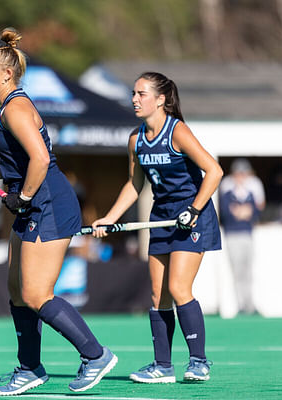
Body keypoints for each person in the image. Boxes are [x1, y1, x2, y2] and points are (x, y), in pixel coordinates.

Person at [0, 27, 117, 395]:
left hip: (47, 205)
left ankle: (95, 355)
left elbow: (42, 158)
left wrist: (24, 196)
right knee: (17, 291)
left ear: (7, 74)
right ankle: (30, 368)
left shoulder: (15, 107)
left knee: (36, 294)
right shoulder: (7, 107)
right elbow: (21, 160)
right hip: (33, 203)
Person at [91, 71, 223, 383]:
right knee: (157, 294)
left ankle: (199, 362)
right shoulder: (136, 139)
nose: (134, 99)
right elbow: (135, 185)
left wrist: (193, 209)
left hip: (192, 216)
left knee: (178, 288)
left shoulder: (177, 132)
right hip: (161, 217)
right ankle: (162, 366)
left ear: (161, 100)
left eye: (141, 94)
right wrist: (110, 218)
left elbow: (214, 171)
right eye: (134, 94)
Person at [219, 158, 264, 315]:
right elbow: (227, 213)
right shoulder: (227, 192)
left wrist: (243, 211)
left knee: (248, 272)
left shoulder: (251, 192)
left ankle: (249, 304)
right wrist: (241, 212)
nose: (241, 177)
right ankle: (240, 305)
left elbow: (255, 212)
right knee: (237, 272)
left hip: (247, 235)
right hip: (232, 235)